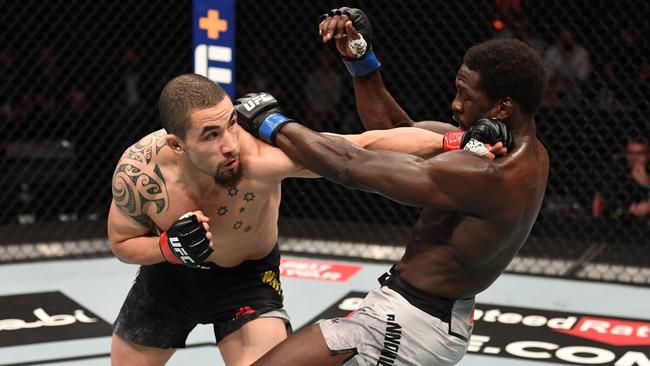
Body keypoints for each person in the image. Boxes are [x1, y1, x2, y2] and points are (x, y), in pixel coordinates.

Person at [107, 73, 508, 366]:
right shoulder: (140, 174)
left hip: (244, 281)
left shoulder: (259, 160)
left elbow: (359, 146)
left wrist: (453, 141)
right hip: (170, 280)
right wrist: (165, 247)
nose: (230, 145)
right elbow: (122, 244)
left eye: (230, 124)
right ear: (177, 143)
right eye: (210, 135)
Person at [234, 7, 549, 366]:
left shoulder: (488, 174)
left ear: (503, 107)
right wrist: (361, 61)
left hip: (411, 322)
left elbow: (352, 165)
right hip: (430, 313)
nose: (455, 104)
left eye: (466, 96)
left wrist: (270, 121)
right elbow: (399, 133)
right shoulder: (523, 151)